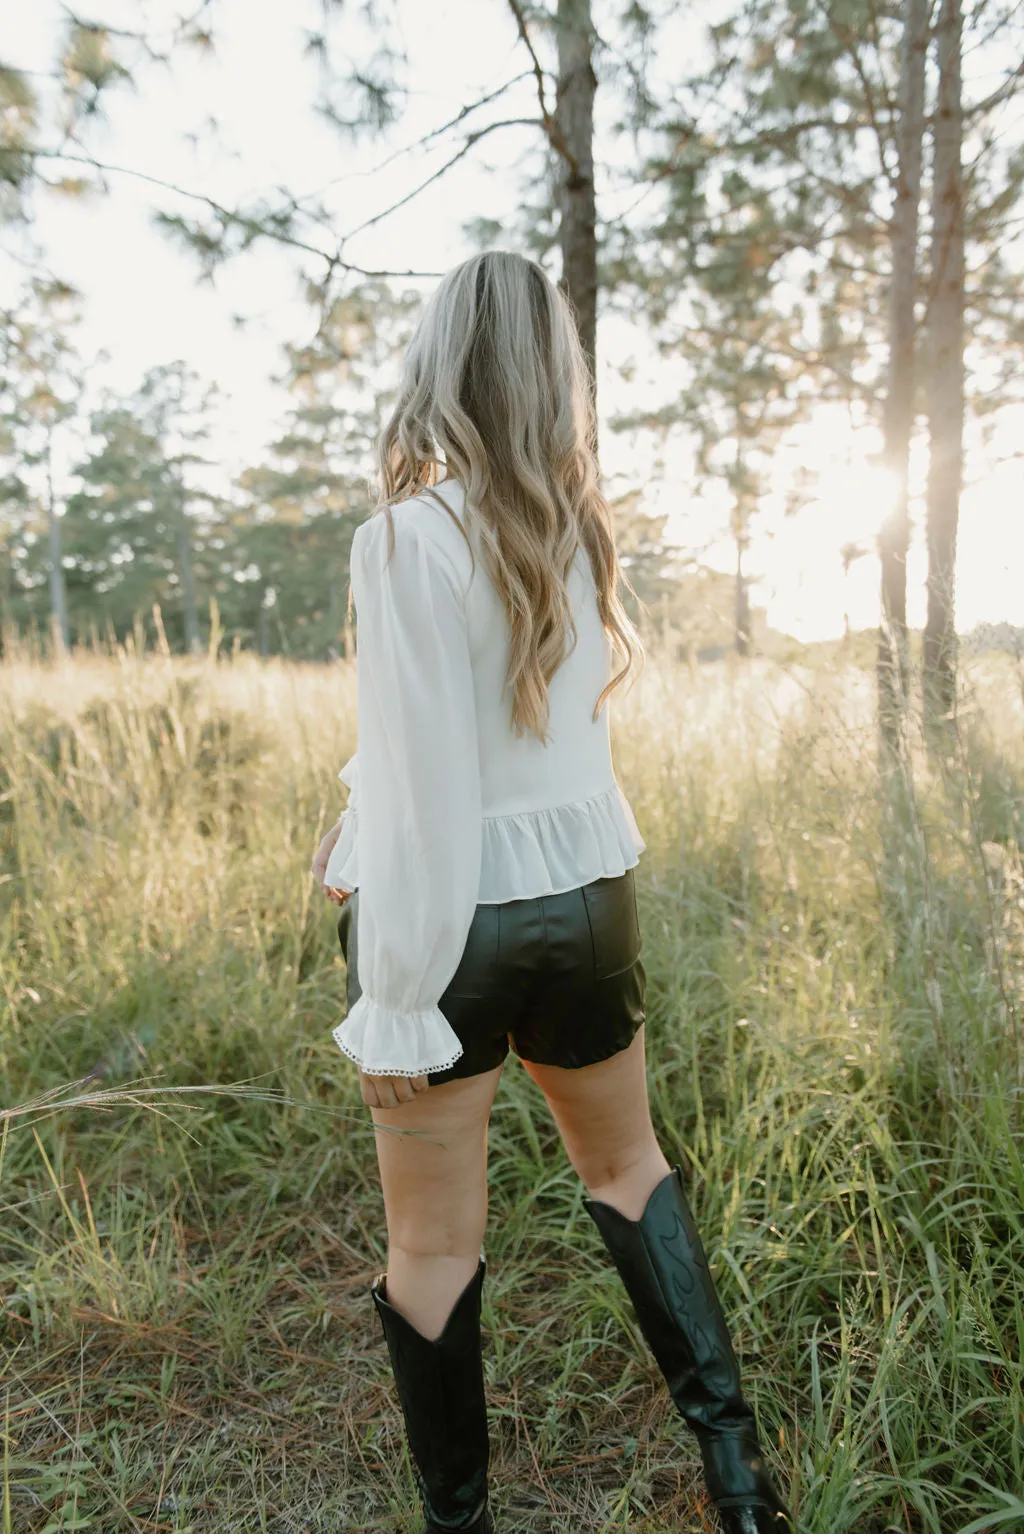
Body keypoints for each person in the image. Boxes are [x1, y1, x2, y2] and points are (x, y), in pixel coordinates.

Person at [309, 250, 793, 1534]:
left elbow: (430, 786)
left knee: (433, 1247)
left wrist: (398, 995)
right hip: (586, 902)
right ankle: (737, 1478)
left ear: (438, 363)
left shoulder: (403, 540)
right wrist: (360, 810)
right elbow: (503, 747)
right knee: (630, 1166)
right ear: (548, 374)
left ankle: (460, 1523)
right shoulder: (576, 529)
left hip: (453, 928)